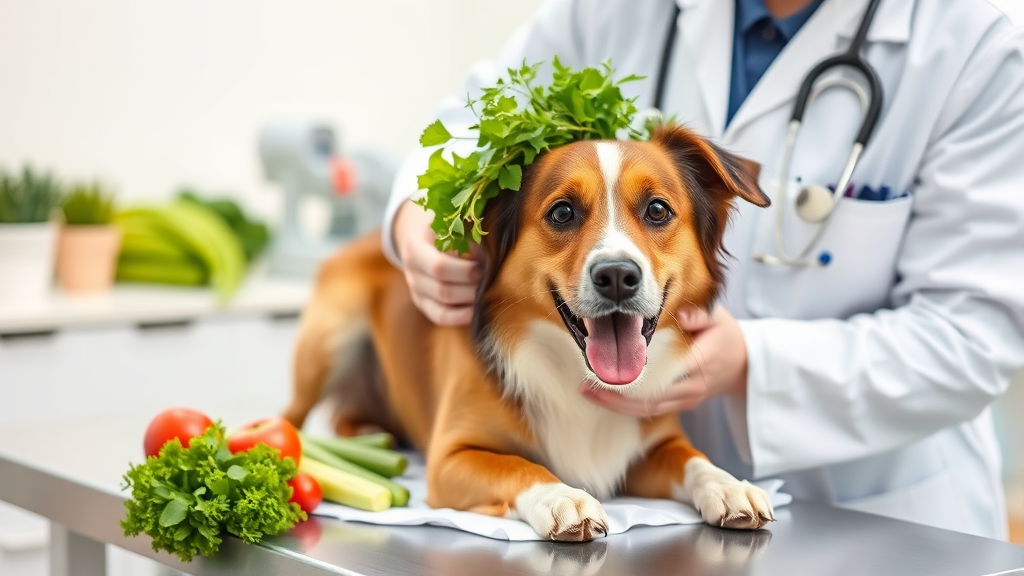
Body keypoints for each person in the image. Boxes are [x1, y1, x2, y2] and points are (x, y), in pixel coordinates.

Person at [381, 0, 1024, 539]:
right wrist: (420, 215)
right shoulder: (612, 10)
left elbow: (974, 334)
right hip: (653, 513)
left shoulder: (979, 41)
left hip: (882, 520)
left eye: (655, 211)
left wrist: (753, 363)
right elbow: (475, 118)